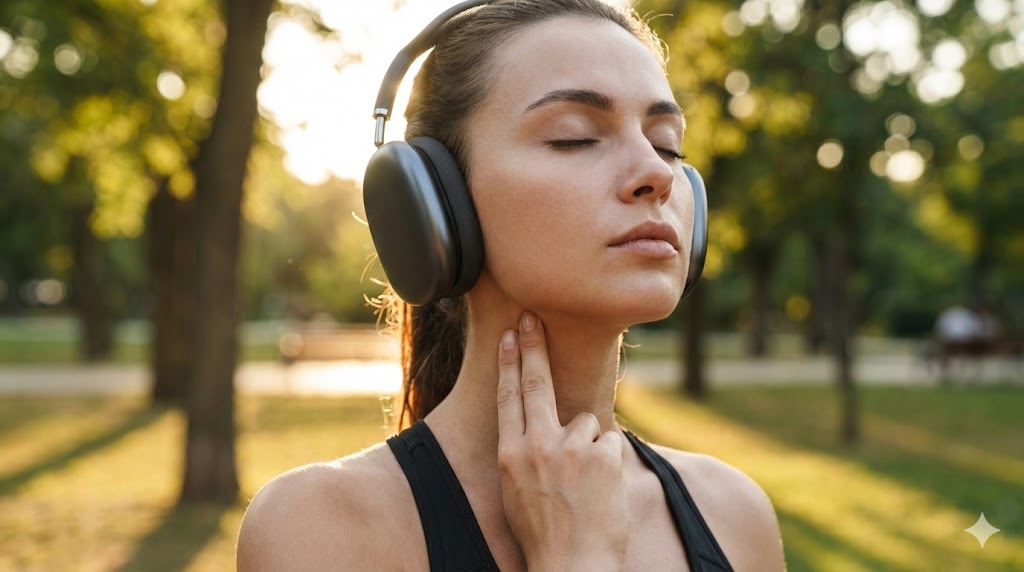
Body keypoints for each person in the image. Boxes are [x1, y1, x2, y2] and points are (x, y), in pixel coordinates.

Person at [237, 1, 785, 570]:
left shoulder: (735, 513)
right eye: (574, 137)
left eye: (667, 142)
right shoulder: (322, 527)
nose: (658, 173)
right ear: (433, 201)